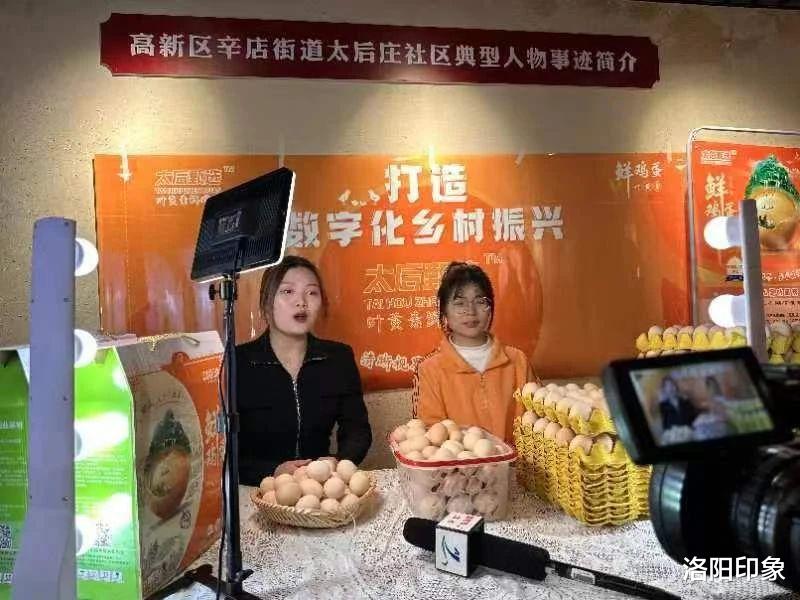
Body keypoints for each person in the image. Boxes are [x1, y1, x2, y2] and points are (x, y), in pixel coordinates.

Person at [236, 255, 372, 485]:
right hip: (257, 488)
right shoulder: (238, 362)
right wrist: (272, 471)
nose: (301, 302)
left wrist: (338, 462)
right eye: (287, 291)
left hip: (320, 486)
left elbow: (358, 431)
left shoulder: (338, 358)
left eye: (311, 292)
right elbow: (223, 453)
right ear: (266, 302)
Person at [416, 261, 537, 442]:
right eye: (460, 303)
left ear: (490, 309)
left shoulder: (517, 360)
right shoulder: (430, 369)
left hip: (517, 460)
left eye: (480, 301)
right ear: (444, 312)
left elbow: (538, 422)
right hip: (460, 461)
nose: (470, 311)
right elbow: (432, 434)